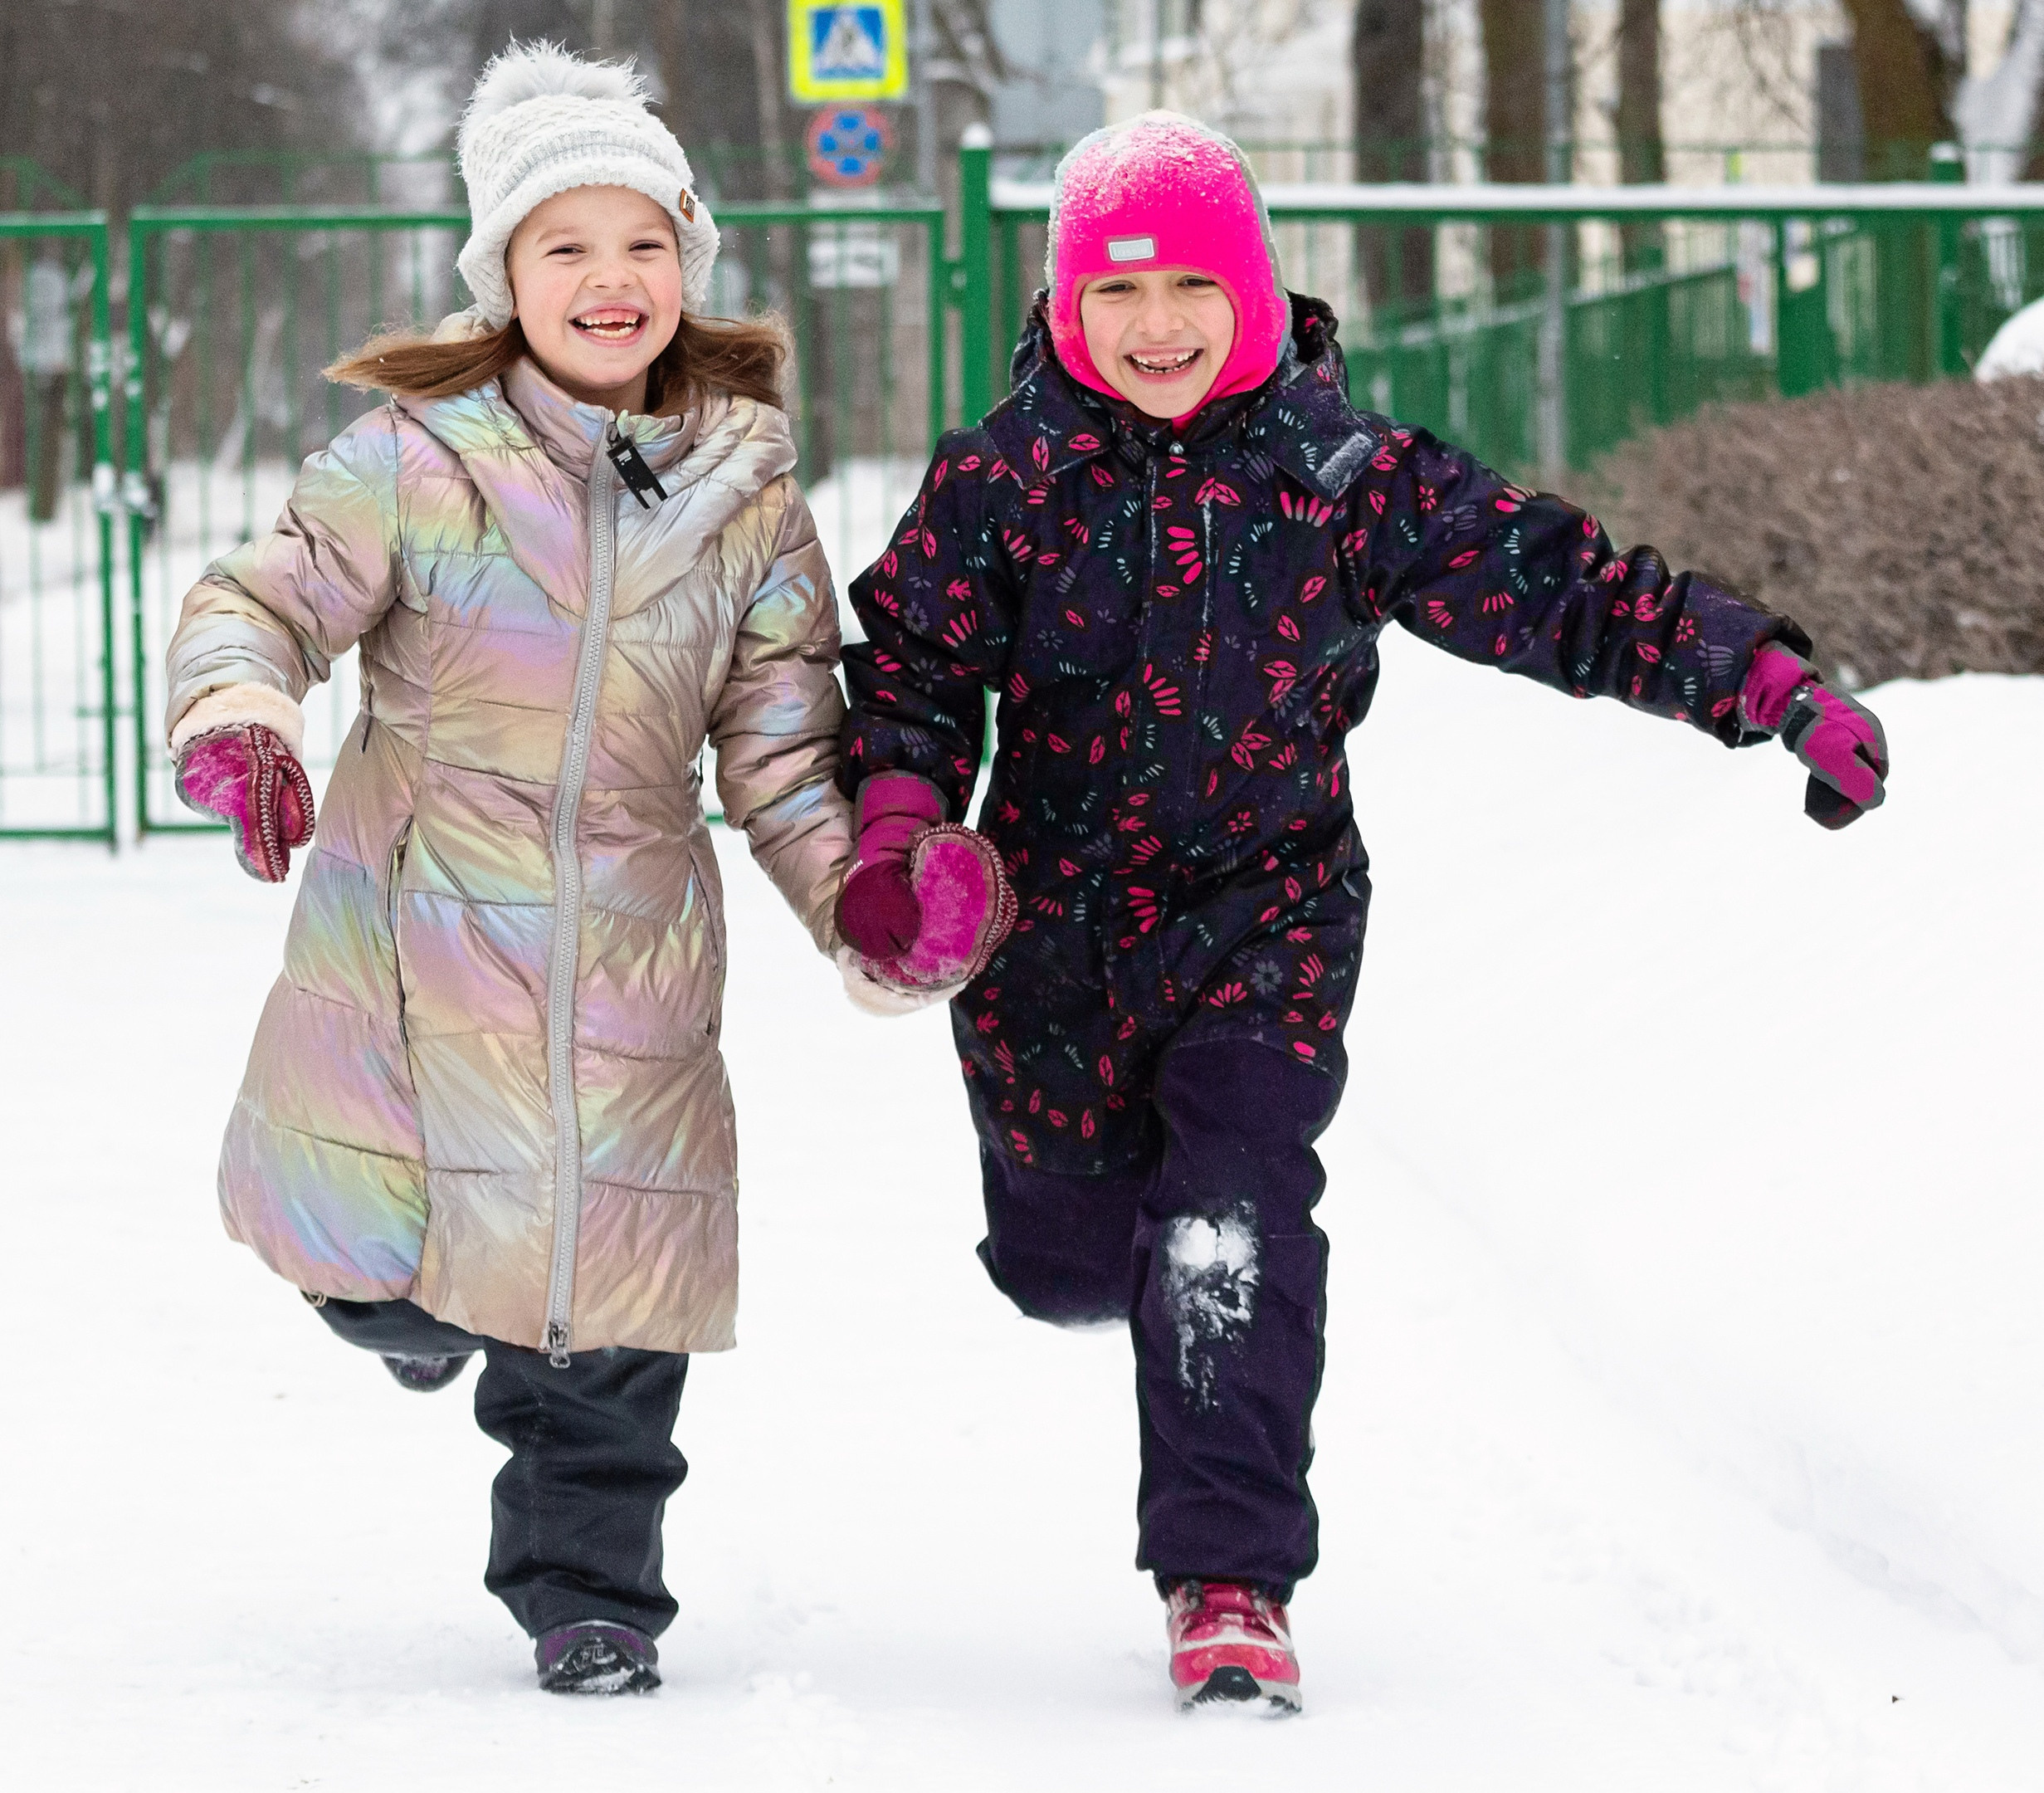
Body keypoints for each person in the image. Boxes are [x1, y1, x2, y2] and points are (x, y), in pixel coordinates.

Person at [832, 112, 1888, 1714]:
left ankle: (1230, 1580)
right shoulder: (1004, 478)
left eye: (1194, 283)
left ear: (1257, 291)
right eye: (1119, 293)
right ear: (1064, 306)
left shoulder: (1341, 474)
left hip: (1273, 915)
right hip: (1050, 935)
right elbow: (907, 663)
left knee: (1235, 1218)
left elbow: (1558, 583)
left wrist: (1754, 678)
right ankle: (1113, 1267)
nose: (1159, 324)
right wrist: (904, 823)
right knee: (1062, 1258)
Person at [163, 43, 852, 1695]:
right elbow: (260, 601)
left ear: (686, 263)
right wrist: (246, 716)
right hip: (415, 931)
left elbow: (784, 747)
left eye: (640, 246)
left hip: (629, 948)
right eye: (566, 247)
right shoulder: (418, 457)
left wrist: (868, 906)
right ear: (503, 276)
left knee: (604, 1305)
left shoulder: (744, 488)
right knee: (377, 1272)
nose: (609, 281)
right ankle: (418, 1323)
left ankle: (588, 1593)